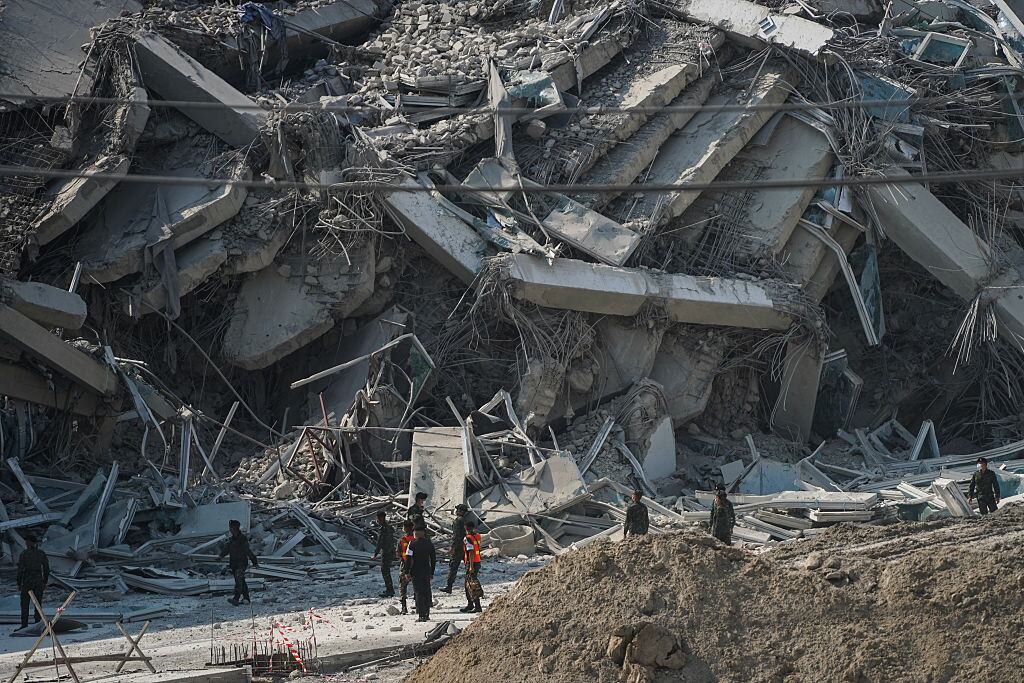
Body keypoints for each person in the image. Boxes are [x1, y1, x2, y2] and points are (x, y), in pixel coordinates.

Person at [219, 519, 258, 606]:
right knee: (241, 581)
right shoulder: (231, 539)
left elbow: (248, 551)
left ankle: (236, 599)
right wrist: (220, 556)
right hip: (233, 564)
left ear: (235, 528)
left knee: (238, 580)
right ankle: (246, 598)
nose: (230, 529)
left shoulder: (242, 539)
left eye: (231, 528)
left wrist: (254, 561)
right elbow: (226, 549)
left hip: (241, 563)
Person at [402, 524, 436, 622]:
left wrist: (406, 571)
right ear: (423, 533)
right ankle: (427, 614)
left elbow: (408, 559)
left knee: (418, 593)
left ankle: (422, 615)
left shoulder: (412, 544)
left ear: (415, 533)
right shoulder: (429, 543)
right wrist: (432, 572)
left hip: (415, 571)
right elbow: (433, 559)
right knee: (426, 592)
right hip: (426, 571)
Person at [16, 534, 49, 631]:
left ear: (30, 542)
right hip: (38, 580)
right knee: (38, 603)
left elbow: (21, 569)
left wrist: (19, 582)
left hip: (27, 581)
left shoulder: (24, 554)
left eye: (27, 541)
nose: (26, 543)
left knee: (25, 603)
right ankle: (37, 624)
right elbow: (46, 569)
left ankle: (24, 625)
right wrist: (44, 581)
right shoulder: (41, 553)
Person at [441, 503, 469, 593]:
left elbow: (456, 536)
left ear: (460, 511)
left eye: (458, 510)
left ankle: (449, 586)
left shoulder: (458, 521)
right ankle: (470, 584)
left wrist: (452, 547)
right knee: (467, 565)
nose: (456, 511)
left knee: (453, 566)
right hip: (464, 546)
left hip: (458, 547)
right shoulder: (464, 520)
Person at [460, 520, 483, 614]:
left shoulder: (467, 538)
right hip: (477, 562)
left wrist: (470, 566)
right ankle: (470, 604)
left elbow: (471, 552)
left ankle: (476, 605)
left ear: (466, 528)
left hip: (472, 563)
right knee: (469, 584)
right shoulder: (477, 536)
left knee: (471, 585)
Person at [371, 509, 395, 598]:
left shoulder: (383, 529)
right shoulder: (389, 527)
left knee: (385, 571)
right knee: (386, 570)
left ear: (380, 518)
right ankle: (390, 589)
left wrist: (375, 554)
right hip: (390, 551)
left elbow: (380, 542)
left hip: (386, 552)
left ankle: (390, 590)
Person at [396, 520, 416, 614]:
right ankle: (418, 605)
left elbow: (398, 554)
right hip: (416, 564)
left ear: (405, 528)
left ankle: (404, 607)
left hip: (404, 565)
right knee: (417, 585)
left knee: (402, 586)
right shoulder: (417, 539)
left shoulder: (402, 540)